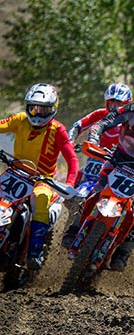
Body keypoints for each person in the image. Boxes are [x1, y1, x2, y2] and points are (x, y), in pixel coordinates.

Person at [63, 77, 134, 270]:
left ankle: (123, 253)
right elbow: (104, 122)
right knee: (94, 190)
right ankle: (74, 229)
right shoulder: (132, 110)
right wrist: (94, 138)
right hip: (118, 158)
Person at [0, 83, 78, 270]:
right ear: (28, 106)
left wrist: (70, 183)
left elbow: (72, 158)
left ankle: (35, 251)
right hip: (15, 172)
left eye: (44, 109)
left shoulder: (57, 129)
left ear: (53, 109)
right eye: (34, 108)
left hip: (42, 179)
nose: (38, 113)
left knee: (40, 200)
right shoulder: (20, 119)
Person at [67, 83, 134, 167]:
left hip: (121, 165)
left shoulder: (133, 120)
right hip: (95, 161)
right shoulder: (99, 114)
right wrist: (70, 142)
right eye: (111, 104)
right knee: (79, 177)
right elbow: (77, 125)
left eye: (119, 105)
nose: (115, 109)